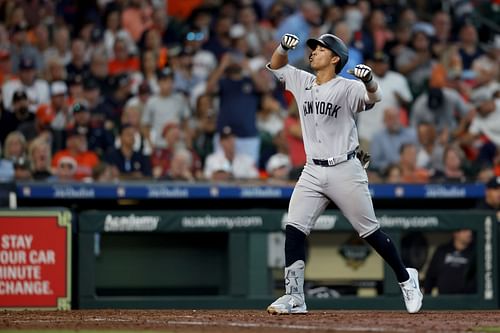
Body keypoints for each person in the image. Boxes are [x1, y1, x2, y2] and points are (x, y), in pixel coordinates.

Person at [265, 33, 423, 315]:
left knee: (370, 232)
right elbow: (277, 66)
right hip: (312, 169)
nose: (313, 52)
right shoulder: (303, 80)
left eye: (320, 49)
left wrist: (370, 80)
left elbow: (374, 97)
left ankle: (405, 277)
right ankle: (295, 297)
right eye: (312, 48)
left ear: (335, 58)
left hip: (345, 167)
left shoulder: (346, 87)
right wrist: (282, 48)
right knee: (294, 228)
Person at [423, 229, 476, 295]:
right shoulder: (442, 251)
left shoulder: (475, 253)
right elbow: (430, 277)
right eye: (465, 231)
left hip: (468, 300)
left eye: (470, 231)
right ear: (456, 233)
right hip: (445, 300)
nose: (469, 233)